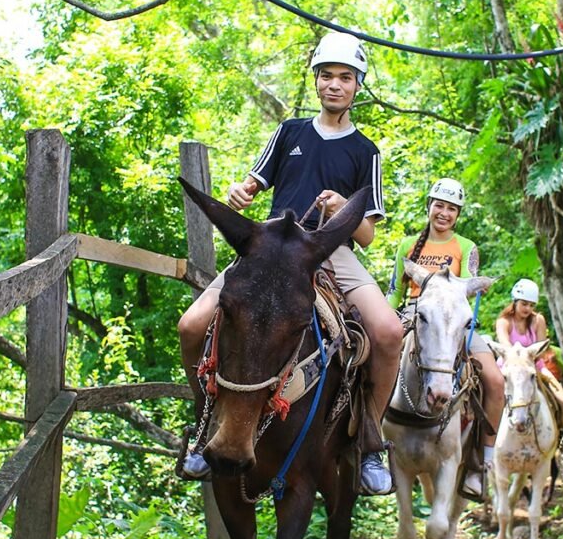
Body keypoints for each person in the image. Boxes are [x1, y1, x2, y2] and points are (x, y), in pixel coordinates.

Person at [177, 31, 404, 495]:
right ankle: (203, 430)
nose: (334, 85)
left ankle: (371, 442)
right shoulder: (290, 132)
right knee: (190, 325)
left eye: (345, 77)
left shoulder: (366, 151)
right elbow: (252, 185)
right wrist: (241, 193)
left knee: (388, 333)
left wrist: (344, 207)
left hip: (332, 252)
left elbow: (367, 233)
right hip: (271, 251)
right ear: (316, 81)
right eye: (326, 76)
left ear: (358, 86)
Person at [386, 178, 506, 500]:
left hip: (453, 322)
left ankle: (482, 463)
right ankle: (368, 449)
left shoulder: (466, 247)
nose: (444, 213)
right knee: (368, 363)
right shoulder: (407, 246)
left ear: (458, 214)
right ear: (429, 206)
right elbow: (395, 291)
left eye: (451, 208)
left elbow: (469, 296)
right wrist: (384, 324)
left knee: (495, 380)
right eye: (439, 205)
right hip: (412, 315)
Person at [495, 278, 563, 429]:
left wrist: (530, 362)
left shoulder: (538, 320)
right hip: (508, 368)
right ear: (515, 301)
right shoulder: (504, 321)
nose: (527, 308)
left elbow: (541, 347)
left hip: (535, 367)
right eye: (524, 304)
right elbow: (506, 347)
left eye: (531, 305)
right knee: (489, 400)